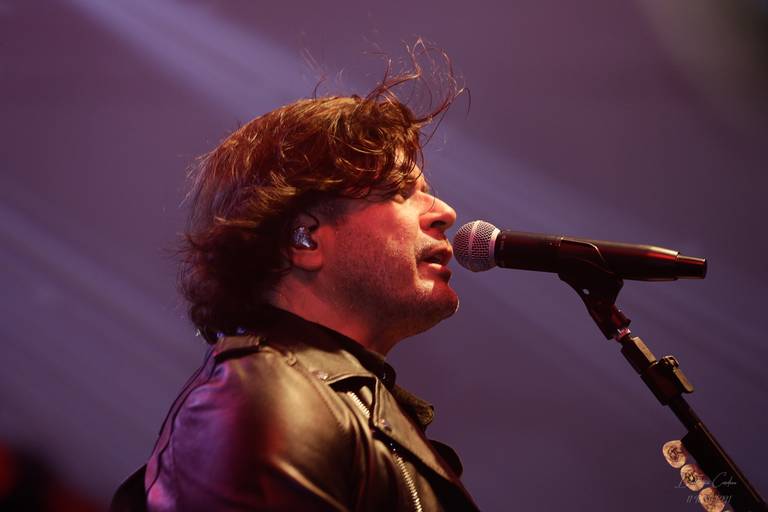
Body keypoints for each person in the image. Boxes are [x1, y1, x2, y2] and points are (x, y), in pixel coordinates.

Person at [112, 53, 479, 511]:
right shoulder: (264, 394)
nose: (445, 212)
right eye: (400, 191)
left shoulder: (324, 398)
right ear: (304, 238)